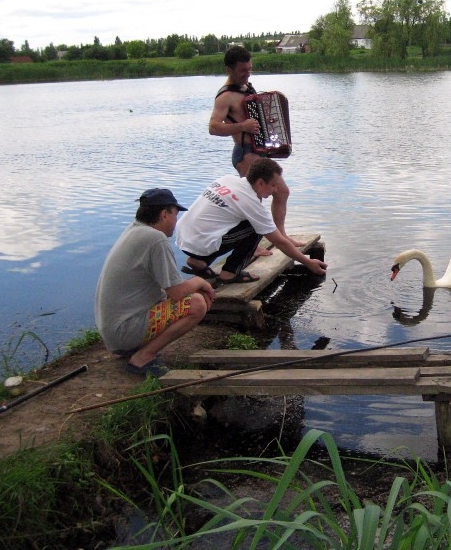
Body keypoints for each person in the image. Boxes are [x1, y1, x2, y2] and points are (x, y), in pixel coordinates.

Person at [94, 188, 215, 377]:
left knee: (188, 296)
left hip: (113, 331)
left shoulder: (135, 230)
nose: (176, 221)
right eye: (175, 214)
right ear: (164, 214)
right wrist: (200, 281)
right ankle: (143, 357)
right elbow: (176, 292)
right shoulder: (155, 239)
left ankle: (137, 349)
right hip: (123, 332)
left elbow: (169, 286)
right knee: (197, 304)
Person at [208, 46, 303, 253]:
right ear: (229, 70)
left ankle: (281, 235)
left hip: (259, 152)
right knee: (252, 201)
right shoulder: (224, 97)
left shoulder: (247, 88)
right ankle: (253, 246)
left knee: (282, 192)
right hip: (245, 153)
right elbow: (213, 128)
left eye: (250, 69)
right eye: (243, 71)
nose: (247, 74)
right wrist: (242, 126)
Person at [176, 158, 327, 285]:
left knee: (241, 224)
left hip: (184, 236)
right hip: (200, 241)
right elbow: (279, 242)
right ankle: (230, 273)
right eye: (273, 185)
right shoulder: (249, 201)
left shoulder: (227, 179)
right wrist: (308, 263)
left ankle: (198, 261)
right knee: (257, 228)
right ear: (261, 183)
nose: (275, 190)